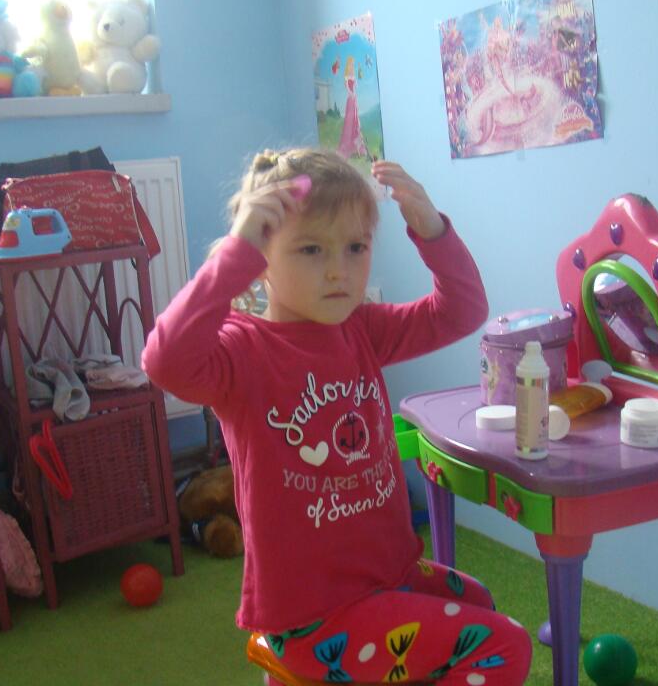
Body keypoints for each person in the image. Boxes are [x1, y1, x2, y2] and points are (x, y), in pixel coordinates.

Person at [142, 148, 532, 685]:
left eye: (356, 247)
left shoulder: (360, 329)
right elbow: (164, 362)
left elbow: (462, 311)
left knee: (479, 601)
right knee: (503, 643)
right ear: (260, 257)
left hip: (385, 578)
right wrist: (236, 253)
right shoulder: (241, 350)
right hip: (315, 618)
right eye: (310, 249)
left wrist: (432, 230)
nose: (338, 271)